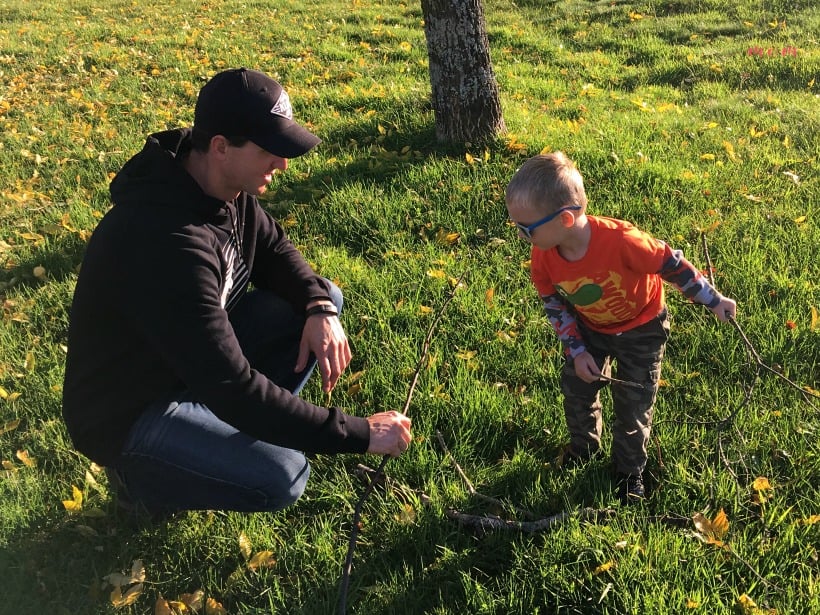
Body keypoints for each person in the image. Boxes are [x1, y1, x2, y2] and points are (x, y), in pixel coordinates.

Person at [62, 67, 412, 518]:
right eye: (270, 150)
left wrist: (319, 307)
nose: (283, 164)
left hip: (188, 367)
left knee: (322, 298)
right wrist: (360, 432)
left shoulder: (222, 184)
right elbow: (234, 387)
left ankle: (211, 435)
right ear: (221, 147)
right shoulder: (168, 242)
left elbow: (273, 249)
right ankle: (141, 483)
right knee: (283, 474)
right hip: (132, 411)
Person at [505, 152, 736, 505]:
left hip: (642, 328)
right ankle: (584, 448)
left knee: (634, 402)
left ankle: (629, 473)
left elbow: (671, 264)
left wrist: (713, 299)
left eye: (525, 228)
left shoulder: (622, 241)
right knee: (578, 387)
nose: (520, 235)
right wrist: (578, 350)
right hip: (590, 326)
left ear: (565, 219)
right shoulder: (544, 255)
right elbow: (554, 304)